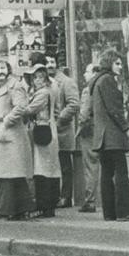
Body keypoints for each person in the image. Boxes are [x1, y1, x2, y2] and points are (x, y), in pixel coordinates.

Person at [83, 53, 129, 221]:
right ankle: (125, 212)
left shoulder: (96, 81)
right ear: (109, 64)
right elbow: (114, 109)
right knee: (121, 173)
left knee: (107, 174)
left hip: (102, 136)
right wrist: (126, 128)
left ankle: (110, 214)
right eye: (117, 63)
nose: (120, 66)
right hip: (113, 135)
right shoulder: (108, 80)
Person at [0, 61, 33, 221]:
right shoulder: (1, 86)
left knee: (8, 172)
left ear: (8, 69)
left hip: (11, 134)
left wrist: (6, 121)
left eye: (2, 68)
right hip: (4, 133)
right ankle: (21, 208)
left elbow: (20, 107)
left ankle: (4, 209)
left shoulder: (15, 86)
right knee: (12, 172)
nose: (0, 71)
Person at [26, 59, 61, 219]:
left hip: (42, 130)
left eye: (38, 77)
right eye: (34, 78)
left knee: (42, 170)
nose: (36, 81)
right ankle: (49, 205)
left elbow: (30, 109)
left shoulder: (42, 93)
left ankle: (44, 206)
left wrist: (18, 109)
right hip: (49, 128)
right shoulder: (52, 89)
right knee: (50, 169)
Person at [48, 55, 80, 208]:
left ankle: (66, 197)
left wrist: (59, 120)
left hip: (62, 130)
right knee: (53, 164)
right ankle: (54, 196)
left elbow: (74, 104)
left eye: (52, 62)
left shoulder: (66, 82)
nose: (50, 65)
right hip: (49, 131)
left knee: (65, 165)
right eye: (47, 62)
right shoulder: (44, 83)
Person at [76, 62, 101, 213]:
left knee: (90, 166)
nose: (84, 74)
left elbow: (84, 113)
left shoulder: (88, 90)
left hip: (89, 131)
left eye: (87, 71)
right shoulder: (102, 87)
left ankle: (90, 200)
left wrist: (79, 127)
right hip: (101, 130)